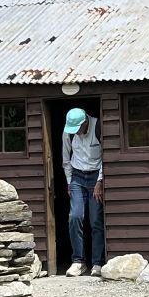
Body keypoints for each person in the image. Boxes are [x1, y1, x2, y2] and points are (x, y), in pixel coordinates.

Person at [62, 106, 104, 276]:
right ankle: (78, 261)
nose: (76, 133)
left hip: (95, 176)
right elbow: (66, 159)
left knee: (95, 220)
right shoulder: (68, 132)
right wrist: (69, 181)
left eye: (78, 129)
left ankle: (98, 263)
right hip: (77, 177)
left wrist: (100, 181)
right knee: (75, 217)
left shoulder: (98, 127)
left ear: (85, 122)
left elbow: (106, 157)